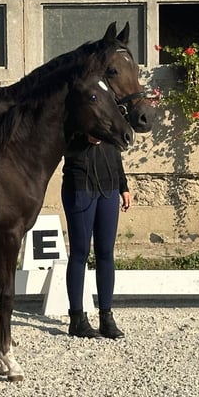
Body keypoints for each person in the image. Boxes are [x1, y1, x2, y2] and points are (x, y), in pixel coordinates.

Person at [61, 132, 131, 339]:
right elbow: (63, 144)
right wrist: (84, 139)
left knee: (105, 252)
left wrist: (123, 186)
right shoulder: (74, 112)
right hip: (80, 186)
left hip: (109, 186)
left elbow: (116, 152)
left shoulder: (109, 114)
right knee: (80, 252)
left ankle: (106, 317)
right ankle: (77, 318)